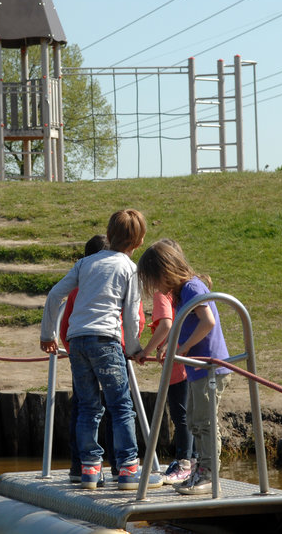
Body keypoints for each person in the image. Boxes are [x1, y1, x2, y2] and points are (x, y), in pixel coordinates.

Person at [40, 209, 161, 490]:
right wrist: (133, 347)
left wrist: (47, 334)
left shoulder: (85, 264)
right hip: (106, 340)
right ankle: (128, 469)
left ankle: (90, 470)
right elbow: (131, 313)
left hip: (78, 340)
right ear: (140, 242)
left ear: (108, 235)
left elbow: (56, 294)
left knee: (88, 407)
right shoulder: (130, 268)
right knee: (120, 406)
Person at [137, 239, 230, 495]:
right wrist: (173, 345)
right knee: (195, 420)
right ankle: (201, 469)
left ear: (166, 271)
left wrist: (184, 347)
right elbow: (188, 326)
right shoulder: (181, 293)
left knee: (205, 421)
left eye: (155, 280)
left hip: (210, 367)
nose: (155, 287)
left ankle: (210, 474)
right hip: (196, 369)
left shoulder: (191, 287)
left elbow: (207, 322)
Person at [134, 238, 194, 486]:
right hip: (191, 362)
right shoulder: (184, 289)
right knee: (191, 414)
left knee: (180, 415)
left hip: (177, 365)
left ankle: (184, 463)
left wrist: (144, 351)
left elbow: (166, 325)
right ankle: (194, 460)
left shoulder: (162, 293)